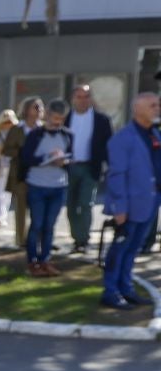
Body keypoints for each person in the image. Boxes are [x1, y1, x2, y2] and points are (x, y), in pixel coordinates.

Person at [100, 93, 161, 309]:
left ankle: (126, 288)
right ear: (138, 110)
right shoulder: (123, 138)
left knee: (133, 249)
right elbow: (116, 175)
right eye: (152, 105)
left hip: (150, 200)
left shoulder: (154, 133)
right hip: (129, 204)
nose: (157, 108)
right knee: (119, 249)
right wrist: (120, 207)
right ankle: (110, 291)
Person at [20, 104, 74, 276]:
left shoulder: (67, 135)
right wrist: (47, 158)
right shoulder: (35, 134)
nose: (58, 122)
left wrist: (63, 162)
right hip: (37, 185)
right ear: (48, 115)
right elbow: (26, 158)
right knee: (37, 224)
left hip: (58, 186)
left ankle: (46, 260)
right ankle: (32, 262)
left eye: (62, 119)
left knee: (50, 226)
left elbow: (71, 156)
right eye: (56, 117)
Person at [66, 84, 114, 253]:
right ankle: (75, 237)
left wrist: (110, 167)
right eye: (79, 97)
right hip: (69, 168)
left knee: (86, 204)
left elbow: (109, 146)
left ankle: (83, 240)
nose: (83, 100)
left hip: (90, 167)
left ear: (91, 99)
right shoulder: (65, 118)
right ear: (73, 99)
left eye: (86, 96)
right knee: (71, 205)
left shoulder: (102, 120)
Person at [4, 98, 42, 249]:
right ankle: (21, 240)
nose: (38, 110)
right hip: (21, 174)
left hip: (40, 175)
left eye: (40, 107)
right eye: (35, 107)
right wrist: (22, 151)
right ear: (26, 110)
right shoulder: (17, 129)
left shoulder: (43, 129)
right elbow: (6, 150)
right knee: (21, 209)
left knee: (38, 209)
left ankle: (37, 239)